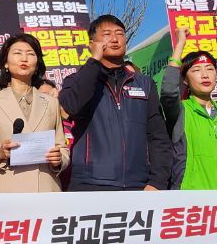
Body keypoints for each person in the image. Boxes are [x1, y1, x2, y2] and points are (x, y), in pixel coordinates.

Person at [57, 15, 172, 192]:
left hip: (139, 185)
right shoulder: (76, 80)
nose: (114, 38)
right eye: (107, 34)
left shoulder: (144, 84)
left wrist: (157, 181)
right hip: (90, 185)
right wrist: (93, 62)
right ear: (92, 43)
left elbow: (158, 136)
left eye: (120, 33)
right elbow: (72, 105)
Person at [160, 28, 217, 190]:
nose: (205, 75)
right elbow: (168, 91)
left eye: (210, 69)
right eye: (196, 70)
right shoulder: (181, 111)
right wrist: (180, 45)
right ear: (185, 80)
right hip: (191, 200)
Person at [0, 34, 68, 193]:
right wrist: (0, 152)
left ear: (37, 64)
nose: (24, 58)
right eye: (17, 53)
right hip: (6, 187)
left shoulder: (51, 102)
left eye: (30, 54)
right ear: (6, 63)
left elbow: (62, 147)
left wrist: (59, 159)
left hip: (45, 187)